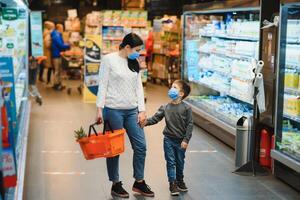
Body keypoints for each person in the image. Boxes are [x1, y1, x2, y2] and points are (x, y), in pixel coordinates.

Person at [96, 33, 155, 198]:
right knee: (115, 149)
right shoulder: (109, 60)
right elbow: (103, 85)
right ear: (127, 47)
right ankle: (115, 183)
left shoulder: (133, 62)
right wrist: (99, 108)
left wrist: (142, 110)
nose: (139, 53)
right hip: (113, 109)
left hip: (132, 111)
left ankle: (139, 182)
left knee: (141, 146)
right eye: (137, 49)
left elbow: (138, 87)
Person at [142, 80, 193, 196]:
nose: (171, 89)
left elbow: (190, 125)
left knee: (180, 162)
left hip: (181, 141)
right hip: (168, 140)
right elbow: (155, 118)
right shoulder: (165, 107)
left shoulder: (187, 109)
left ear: (181, 94)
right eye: (171, 87)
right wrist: (145, 122)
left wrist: (186, 140)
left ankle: (180, 180)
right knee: (170, 162)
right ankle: (172, 183)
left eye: (174, 87)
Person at [51, 23, 70, 91]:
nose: (63, 29)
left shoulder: (57, 34)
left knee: (58, 70)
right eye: (62, 28)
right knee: (57, 70)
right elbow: (60, 45)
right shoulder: (56, 35)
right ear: (59, 28)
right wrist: (68, 45)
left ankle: (58, 84)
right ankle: (56, 85)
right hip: (56, 54)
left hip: (58, 54)